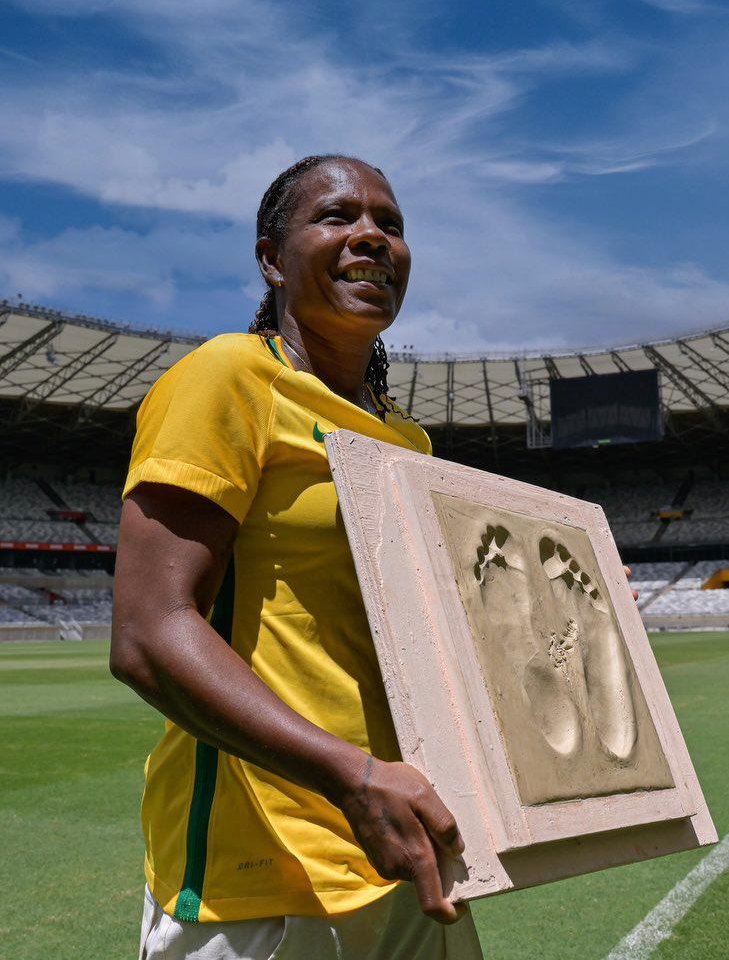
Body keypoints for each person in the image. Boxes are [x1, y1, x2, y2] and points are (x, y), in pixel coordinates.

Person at [111, 154, 485, 960]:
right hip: (261, 882)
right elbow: (147, 632)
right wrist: (351, 776)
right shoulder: (229, 378)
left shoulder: (409, 441)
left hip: (409, 856)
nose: (372, 238)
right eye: (338, 216)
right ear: (272, 258)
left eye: (391, 224)